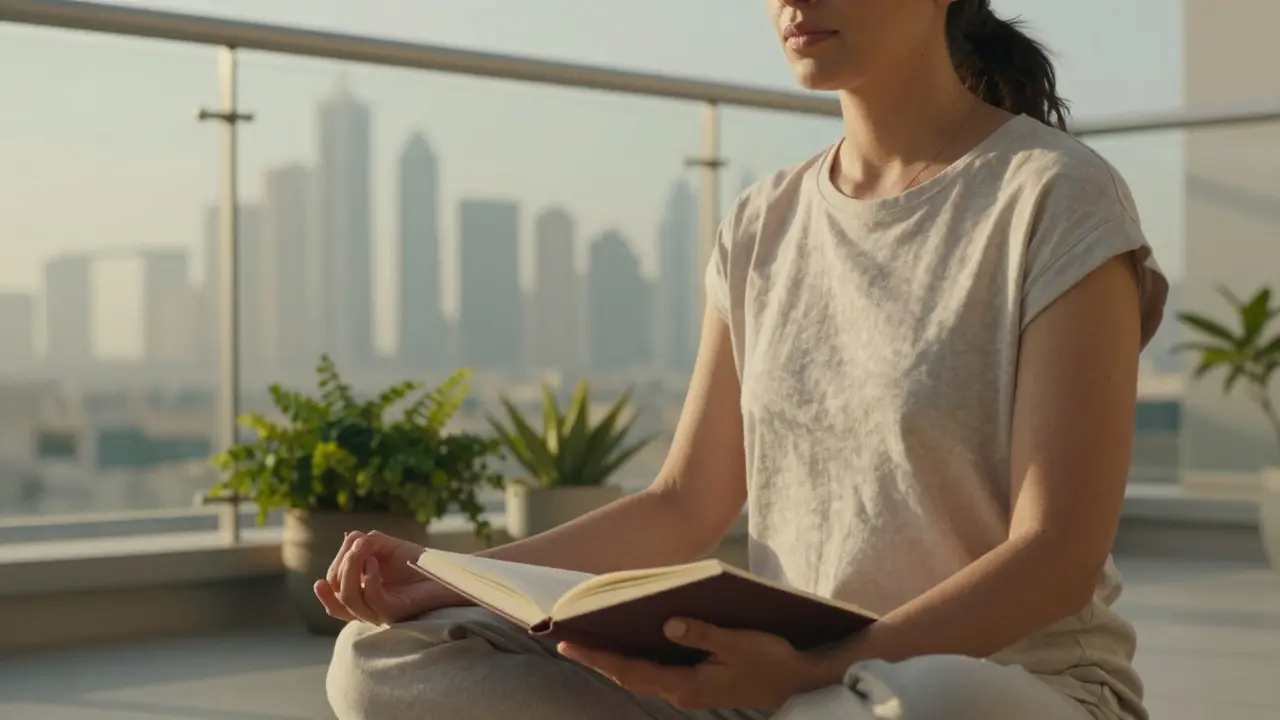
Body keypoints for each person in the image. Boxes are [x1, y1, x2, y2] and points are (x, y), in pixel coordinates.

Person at [321, 0, 1167, 718]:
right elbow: (683, 503)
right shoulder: (764, 221)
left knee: (925, 700)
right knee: (377, 660)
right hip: (779, 682)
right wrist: (451, 579)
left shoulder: (1055, 195)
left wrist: (817, 672)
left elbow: (1056, 554)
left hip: (988, 685)